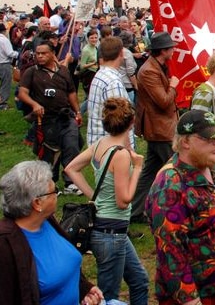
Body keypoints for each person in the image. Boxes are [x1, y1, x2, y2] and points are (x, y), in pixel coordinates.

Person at [146, 110, 215, 305]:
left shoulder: (211, 170)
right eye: (208, 138)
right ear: (185, 142)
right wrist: (190, 300)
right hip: (204, 293)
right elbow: (170, 249)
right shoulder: (170, 185)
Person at [64, 98, 149, 305]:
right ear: (131, 122)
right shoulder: (121, 156)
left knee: (140, 280)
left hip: (112, 230)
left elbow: (71, 169)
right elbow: (124, 201)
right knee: (107, 296)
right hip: (110, 233)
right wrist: (138, 168)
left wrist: (93, 195)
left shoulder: (101, 144)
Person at [0, 160, 105, 305]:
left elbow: (66, 263)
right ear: (37, 203)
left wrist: (84, 288)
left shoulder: (47, 221)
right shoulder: (5, 244)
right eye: (54, 191)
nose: (57, 195)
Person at [17, 39, 84, 192]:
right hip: (46, 120)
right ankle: (50, 184)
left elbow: (71, 93)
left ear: (52, 54)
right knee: (49, 153)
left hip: (66, 117)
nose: (39, 56)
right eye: (38, 54)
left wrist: (78, 112)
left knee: (72, 147)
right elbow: (22, 93)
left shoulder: (63, 71)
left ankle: (70, 182)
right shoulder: (32, 72)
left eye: (43, 53)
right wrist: (34, 104)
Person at [130, 31, 180, 223]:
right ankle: (174, 210)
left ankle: (135, 211)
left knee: (150, 172)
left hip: (160, 127)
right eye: (171, 48)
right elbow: (164, 101)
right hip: (160, 129)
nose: (174, 50)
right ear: (163, 51)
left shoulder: (157, 66)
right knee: (175, 171)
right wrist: (173, 86)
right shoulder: (149, 71)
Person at [86, 36, 130, 147]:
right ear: (121, 53)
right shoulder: (113, 82)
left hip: (100, 142)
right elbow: (119, 121)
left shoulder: (100, 74)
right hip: (112, 147)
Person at [0, 22, 16, 111]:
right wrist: (19, 54)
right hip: (4, 64)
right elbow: (10, 53)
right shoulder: (4, 39)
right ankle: (2, 104)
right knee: (5, 84)